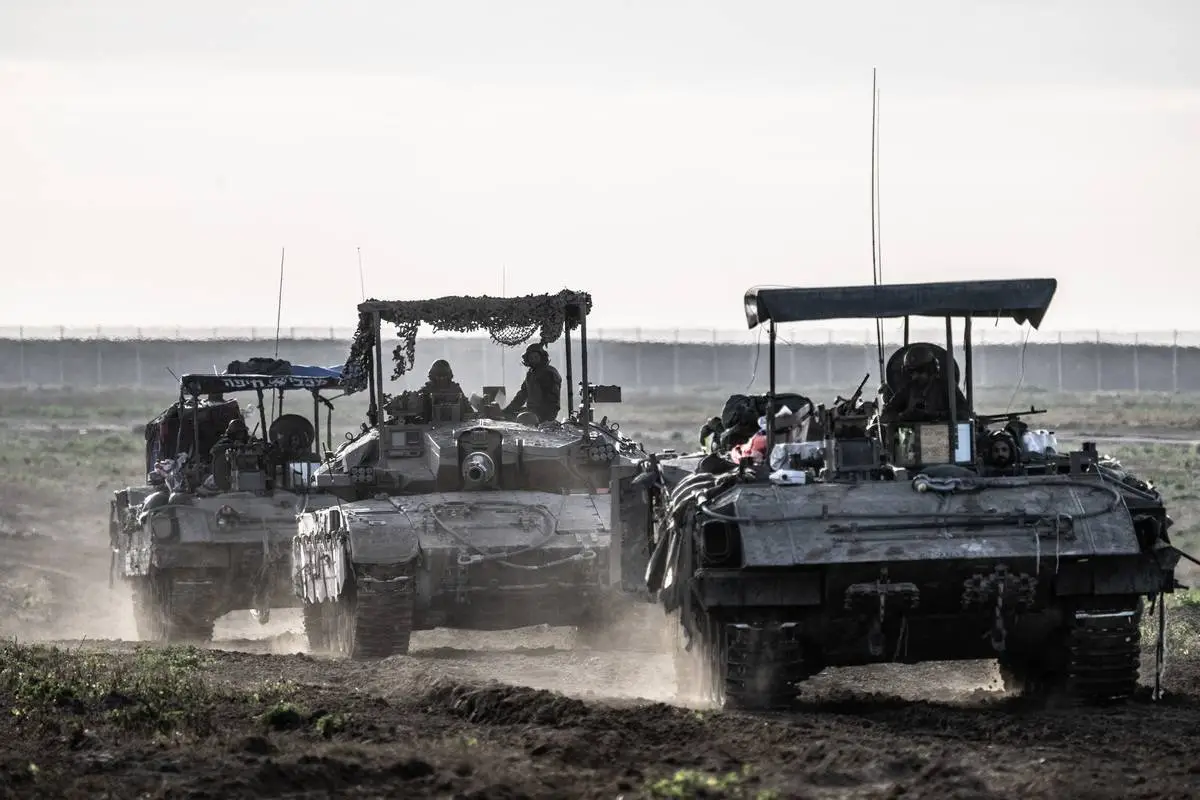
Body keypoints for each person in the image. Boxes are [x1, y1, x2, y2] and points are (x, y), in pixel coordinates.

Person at [879, 344, 970, 423]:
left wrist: (933, 416)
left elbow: (964, 414)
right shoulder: (908, 389)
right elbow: (885, 416)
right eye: (911, 372)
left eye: (919, 371)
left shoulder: (947, 387)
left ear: (930, 369)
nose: (915, 376)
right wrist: (904, 416)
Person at [504, 343, 562, 423]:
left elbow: (552, 400)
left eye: (536, 357)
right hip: (532, 411)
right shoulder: (531, 373)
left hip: (545, 415)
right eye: (531, 358)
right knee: (509, 417)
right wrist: (508, 410)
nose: (533, 360)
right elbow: (522, 395)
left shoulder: (549, 373)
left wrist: (543, 417)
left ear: (542, 357)